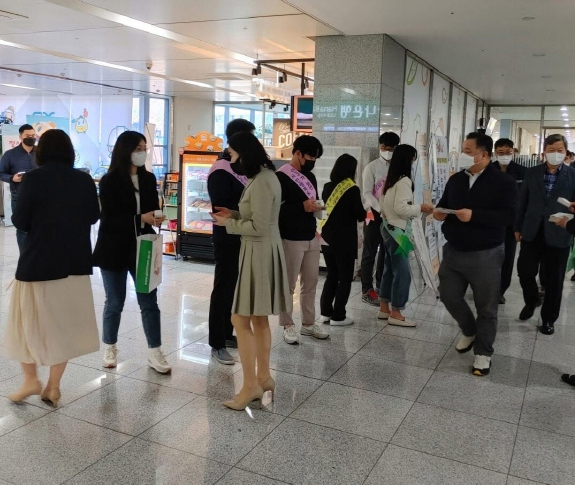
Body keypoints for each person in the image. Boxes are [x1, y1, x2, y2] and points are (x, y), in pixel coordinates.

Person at [2, 129, 100, 406]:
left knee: (25, 322)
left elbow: (20, 221)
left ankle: (31, 380)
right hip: (75, 263)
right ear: (69, 152)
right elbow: (94, 216)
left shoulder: (34, 179)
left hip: (38, 263)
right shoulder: (84, 180)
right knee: (63, 325)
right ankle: (53, 386)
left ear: (41, 151)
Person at [211, 132, 291, 410]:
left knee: (239, 318)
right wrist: (233, 214)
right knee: (259, 319)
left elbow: (258, 226)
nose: (231, 160)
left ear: (244, 153)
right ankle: (263, 377)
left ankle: (249, 387)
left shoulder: (262, 182)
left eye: (233, 154)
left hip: (258, 253)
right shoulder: (267, 177)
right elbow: (259, 217)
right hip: (263, 250)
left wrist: (228, 225)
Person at [434, 132, 517, 376]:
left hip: (486, 253)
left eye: (467, 151)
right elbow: (445, 203)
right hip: (453, 251)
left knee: (487, 307)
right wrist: (440, 212)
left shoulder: (503, 182)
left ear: (484, 155)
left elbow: (508, 216)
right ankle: (469, 330)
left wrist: (474, 215)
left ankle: (483, 352)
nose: (462, 155)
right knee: (448, 295)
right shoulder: (456, 179)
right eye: (462, 150)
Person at [93, 131, 171, 374]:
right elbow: (109, 218)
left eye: (144, 148)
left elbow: (152, 208)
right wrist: (139, 218)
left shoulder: (148, 178)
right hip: (114, 248)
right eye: (138, 148)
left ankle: (155, 351)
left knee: (149, 301)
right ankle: (110, 347)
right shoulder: (109, 181)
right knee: (114, 302)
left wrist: (155, 217)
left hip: (144, 246)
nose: (142, 153)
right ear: (125, 150)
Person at [515, 134, 575, 335]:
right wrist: (517, 227)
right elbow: (522, 201)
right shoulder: (532, 173)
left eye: (560, 150)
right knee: (525, 272)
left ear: (565, 153)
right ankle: (532, 300)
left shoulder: (573, 175)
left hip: (559, 231)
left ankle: (549, 319)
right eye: (551, 150)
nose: (555, 154)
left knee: (555, 280)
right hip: (532, 230)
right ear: (544, 152)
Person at [207, 119, 255, 365]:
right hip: (227, 238)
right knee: (223, 288)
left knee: (234, 289)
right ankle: (216, 342)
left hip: (243, 235)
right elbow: (221, 208)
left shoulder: (243, 167)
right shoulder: (221, 169)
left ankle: (227, 333)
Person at [277, 135, 329, 344]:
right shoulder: (281, 177)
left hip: (311, 235)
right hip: (291, 237)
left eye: (315, 158)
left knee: (311, 282)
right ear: (298, 153)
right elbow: (276, 210)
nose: (312, 162)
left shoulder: (311, 177)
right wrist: (302, 207)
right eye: (310, 157)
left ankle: (308, 323)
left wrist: (317, 207)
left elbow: (311, 201)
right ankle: (287, 324)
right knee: (288, 284)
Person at [378, 145, 433, 326]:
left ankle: (384, 307)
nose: (413, 163)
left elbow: (383, 205)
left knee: (389, 269)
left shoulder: (390, 180)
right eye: (413, 159)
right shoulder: (404, 181)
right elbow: (401, 208)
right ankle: (396, 312)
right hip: (398, 233)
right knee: (402, 273)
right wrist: (420, 208)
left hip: (387, 228)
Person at [318, 154, 366, 326]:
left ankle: (325, 313)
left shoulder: (327, 187)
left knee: (331, 275)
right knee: (345, 277)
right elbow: (359, 214)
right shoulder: (352, 189)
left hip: (327, 237)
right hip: (344, 239)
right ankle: (338, 316)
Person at [361, 132, 400, 306]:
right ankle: (366, 289)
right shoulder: (372, 167)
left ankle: (380, 286)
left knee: (386, 251)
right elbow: (367, 193)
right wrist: (380, 209)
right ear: (379, 147)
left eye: (391, 149)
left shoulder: (399, 168)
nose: (387, 152)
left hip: (392, 214)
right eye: (384, 148)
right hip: (373, 214)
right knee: (370, 251)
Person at [493, 138, 526, 304]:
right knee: (489, 257)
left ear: (513, 152)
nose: (504, 155)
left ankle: (500, 290)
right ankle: (487, 288)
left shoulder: (522, 172)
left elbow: (526, 199)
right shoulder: (487, 170)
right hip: (491, 222)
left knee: (508, 258)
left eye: (508, 152)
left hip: (512, 223)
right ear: (495, 153)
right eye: (500, 153)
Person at [0, 124, 37, 252]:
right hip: (19, 197)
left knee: (40, 229)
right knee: (22, 229)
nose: (31, 138)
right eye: (28, 136)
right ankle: (24, 257)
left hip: (41, 197)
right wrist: (12, 178)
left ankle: (39, 258)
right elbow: (1, 173)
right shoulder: (10, 154)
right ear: (20, 136)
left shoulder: (41, 153)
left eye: (33, 136)